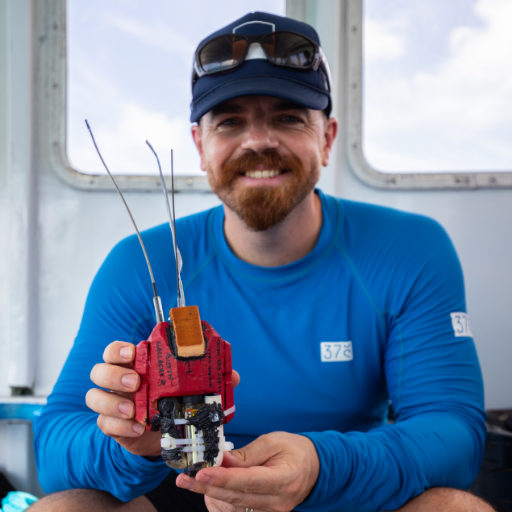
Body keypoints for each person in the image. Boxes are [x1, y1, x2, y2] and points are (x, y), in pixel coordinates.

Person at [32, 11, 492, 512]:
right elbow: (56, 446)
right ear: (199, 147)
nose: (258, 141)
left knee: (456, 507)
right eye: (230, 121)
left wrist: (320, 465)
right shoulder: (138, 262)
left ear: (328, 138)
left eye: (288, 117)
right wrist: (135, 443)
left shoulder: (409, 250)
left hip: (343, 494)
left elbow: (454, 436)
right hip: (182, 492)